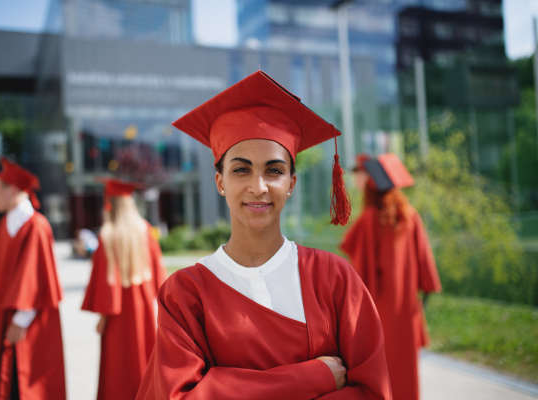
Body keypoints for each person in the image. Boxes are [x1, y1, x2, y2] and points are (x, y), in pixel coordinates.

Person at [135, 70, 392, 400]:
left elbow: (373, 392)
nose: (258, 187)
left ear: (291, 185)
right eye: (241, 170)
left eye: (274, 170)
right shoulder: (185, 294)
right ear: (220, 183)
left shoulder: (333, 278)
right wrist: (312, 377)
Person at [340, 153, 442, 400]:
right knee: (405, 370)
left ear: (371, 182)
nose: (356, 180)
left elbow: (357, 275)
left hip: (378, 313)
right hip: (406, 311)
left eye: (360, 175)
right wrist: (420, 305)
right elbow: (426, 270)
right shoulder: (410, 216)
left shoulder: (369, 220)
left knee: (381, 373)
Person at [0, 157, 66, 400]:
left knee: (26, 383)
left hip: (25, 322)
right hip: (4, 317)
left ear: (12, 190)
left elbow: (36, 276)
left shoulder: (36, 225)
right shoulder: (6, 224)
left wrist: (22, 317)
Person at [81, 177, 167, 400]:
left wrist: (102, 318)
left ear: (109, 203)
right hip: (146, 312)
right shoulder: (146, 230)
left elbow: (106, 288)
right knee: (145, 363)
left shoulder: (108, 235)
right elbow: (160, 277)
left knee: (119, 373)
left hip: (119, 319)